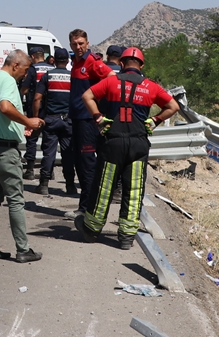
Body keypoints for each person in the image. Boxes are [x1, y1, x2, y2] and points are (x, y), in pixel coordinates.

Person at [74, 47, 180, 249]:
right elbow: (173, 107)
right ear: (142, 65)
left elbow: (87, 96)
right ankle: (126, 237)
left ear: (121, 64)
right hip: (138, 143)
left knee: (104, 186)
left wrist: (98, 118)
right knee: (134, 189)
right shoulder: (151, 86)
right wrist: (155, 120)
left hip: (113, 141)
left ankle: (91, 229)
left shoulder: (110, 81)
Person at [0, 50, 45, 263]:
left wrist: (19, 126)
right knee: (16, 200)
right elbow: (4, 107)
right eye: (25, 69)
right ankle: (23, 249)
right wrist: (28, 121)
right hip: (5, 151)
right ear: (15, 65)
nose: (26, 74)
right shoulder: (7, 81)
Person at [67, 29, 113, 215]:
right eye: (74, 44)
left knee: (87, 164)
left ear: (87, 43)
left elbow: (111, 78)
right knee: (79, 162)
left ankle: (88, 209)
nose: (78, 47)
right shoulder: (76, 62)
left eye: (81, 43)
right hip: (77, 119)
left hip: (88, 120)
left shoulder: (92, 61)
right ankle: (86, 207)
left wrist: (96, 99)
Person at [32, 46, 73, 196]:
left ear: (54, 60)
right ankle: (70, 186)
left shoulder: (47, 76)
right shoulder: (73, 77)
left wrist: (36, 117)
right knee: (68, 154)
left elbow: (37, 98)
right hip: (68, 121)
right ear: (67, 61)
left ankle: (44, 184)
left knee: (49, 153)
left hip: (51, 119)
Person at [20, 47, 52, 179]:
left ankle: (30, 170)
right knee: (48, 141)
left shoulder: (33, 69)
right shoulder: (52, 68)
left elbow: (24, 89)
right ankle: (49, 171)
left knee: (32, 139)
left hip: (34, 108)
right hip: (50, 110)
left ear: (33, 57)